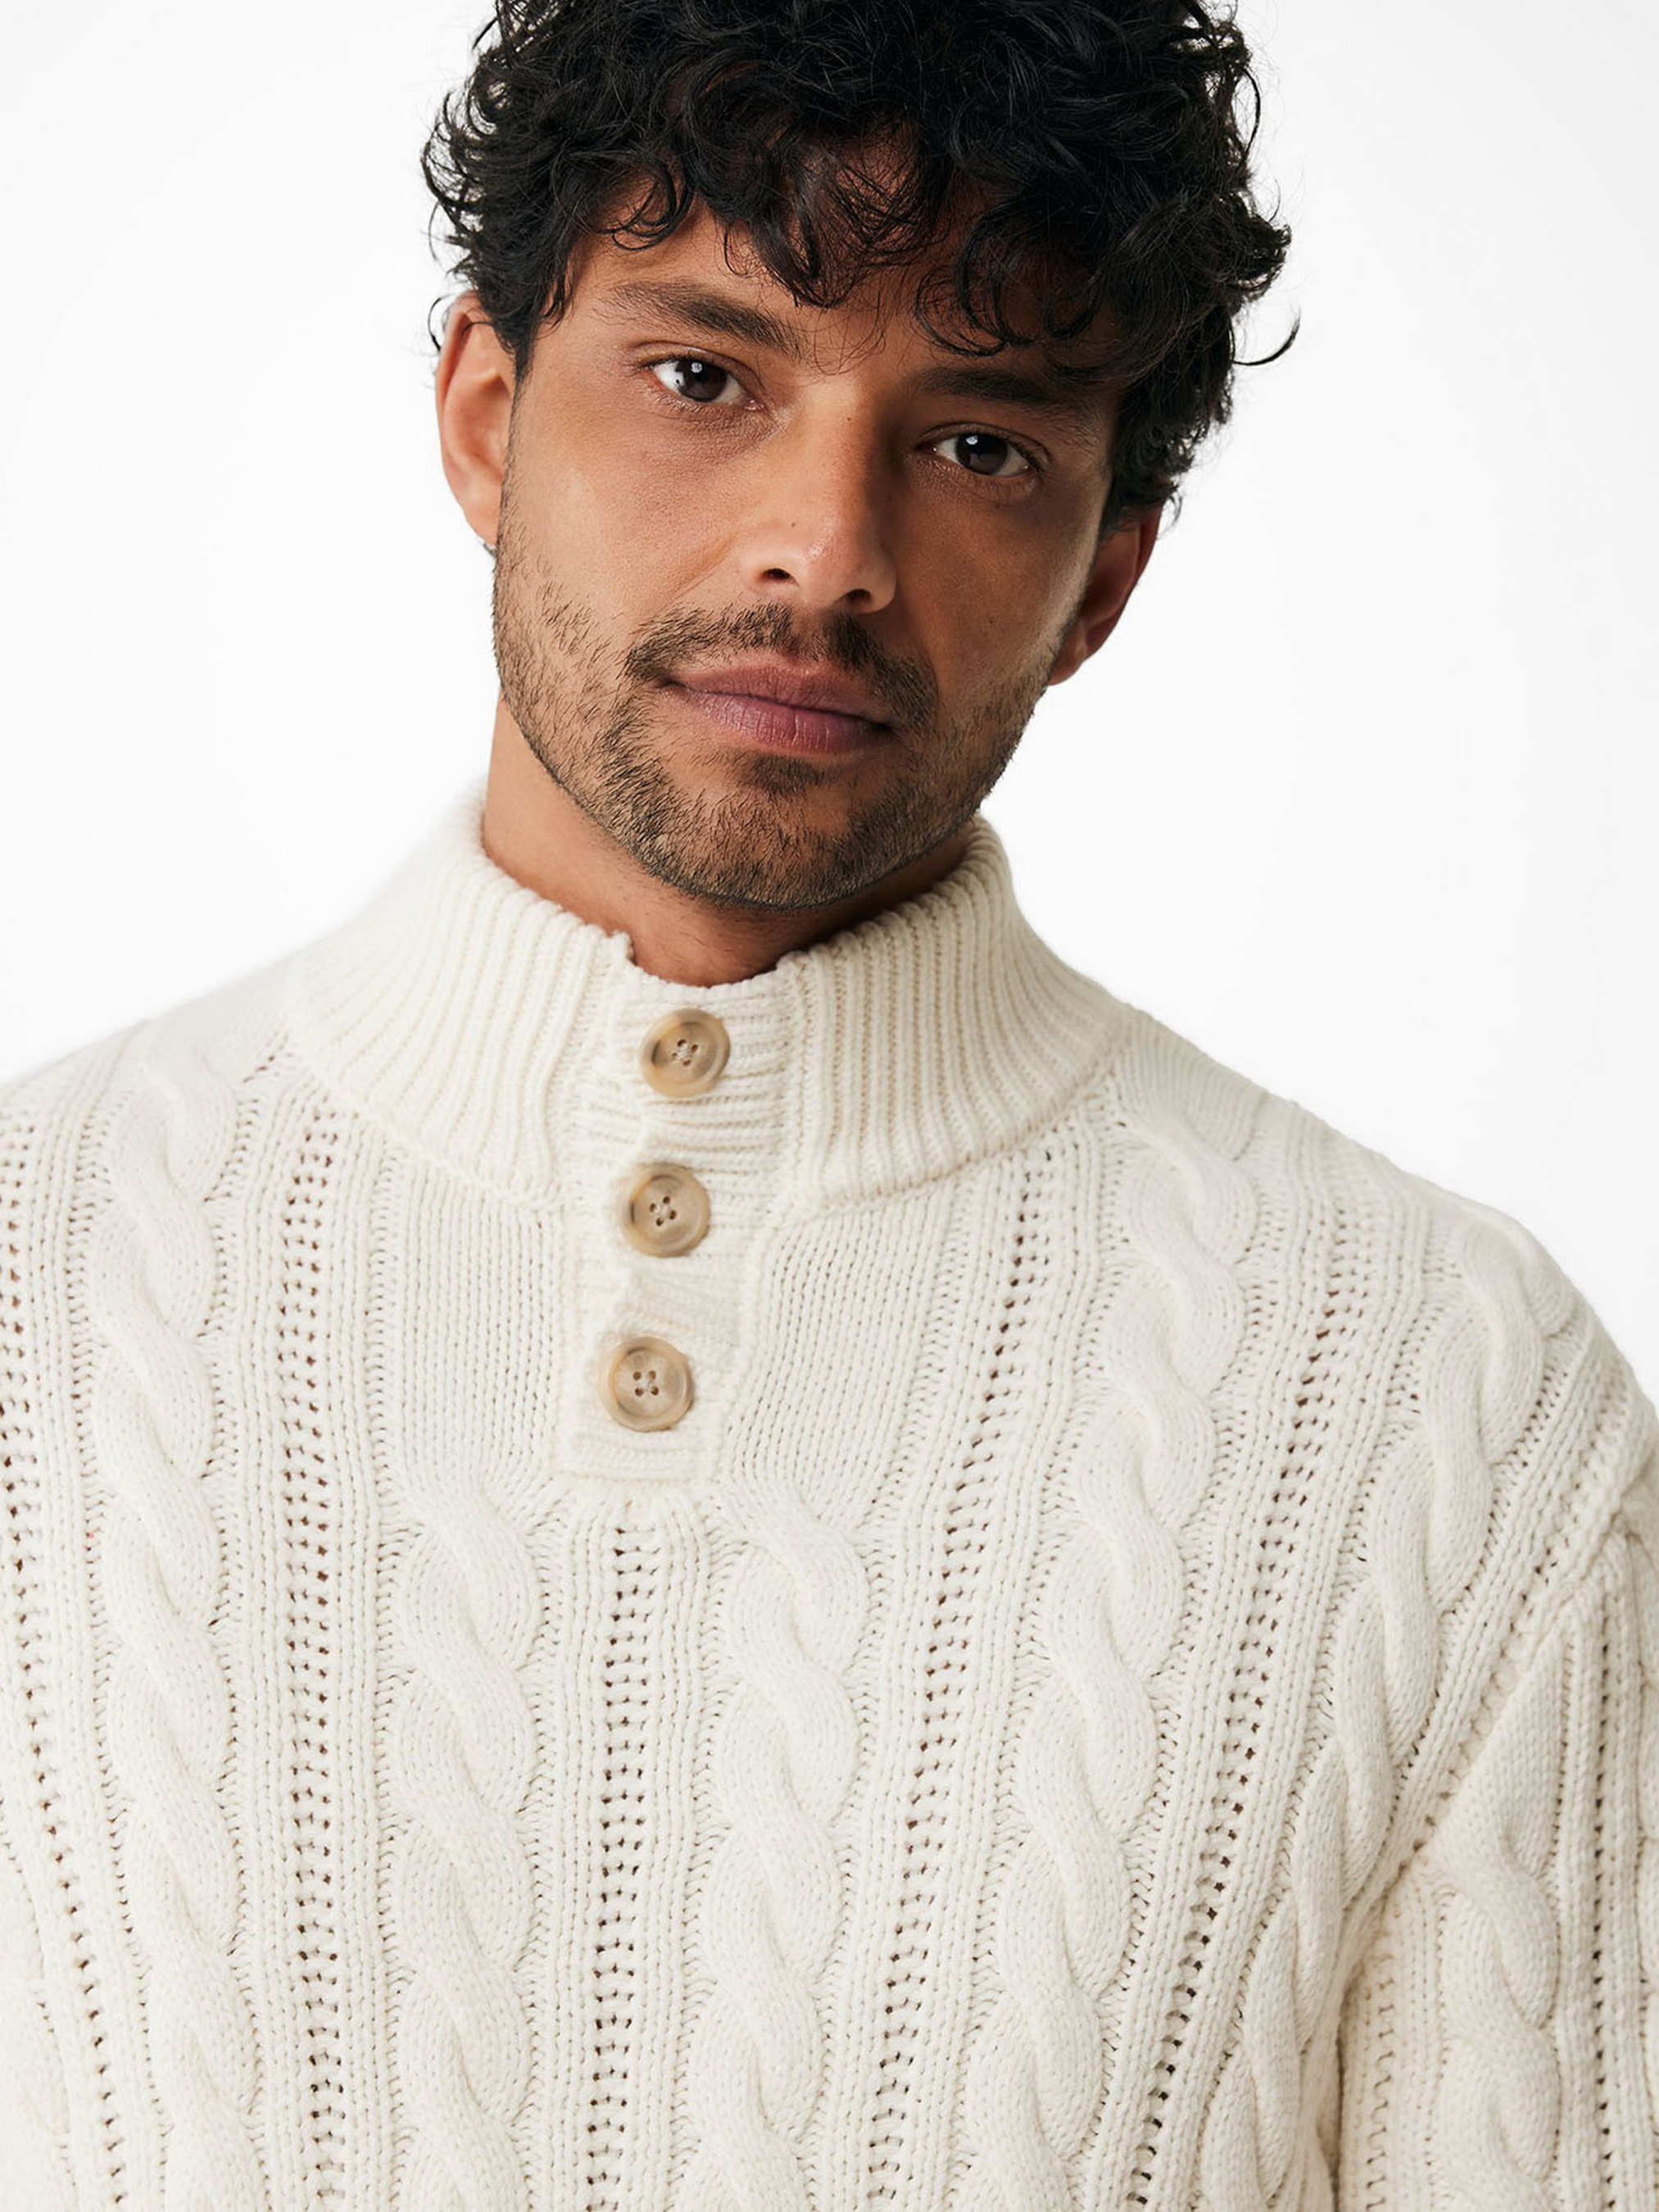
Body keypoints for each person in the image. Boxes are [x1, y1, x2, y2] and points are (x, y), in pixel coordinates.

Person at [0, 1, 1653, 2205]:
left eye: (976, 441)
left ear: (1106, 572)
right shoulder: (32, 1284)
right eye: (706, 377)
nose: (824, 547)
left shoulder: (1452, 1403)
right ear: (487, 418)